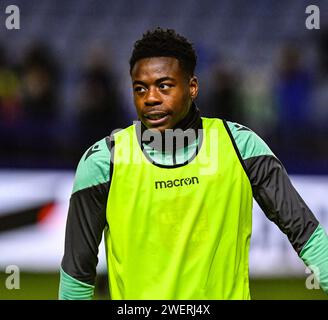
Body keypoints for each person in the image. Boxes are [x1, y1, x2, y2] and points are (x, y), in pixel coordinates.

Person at [59, 28, 328, 300]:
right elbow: (76, 274)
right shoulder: (103, 162)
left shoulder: (242, 147)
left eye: (164, 86)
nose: (150, 98)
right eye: (140, 88)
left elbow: (305, 233)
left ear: (192, 87)